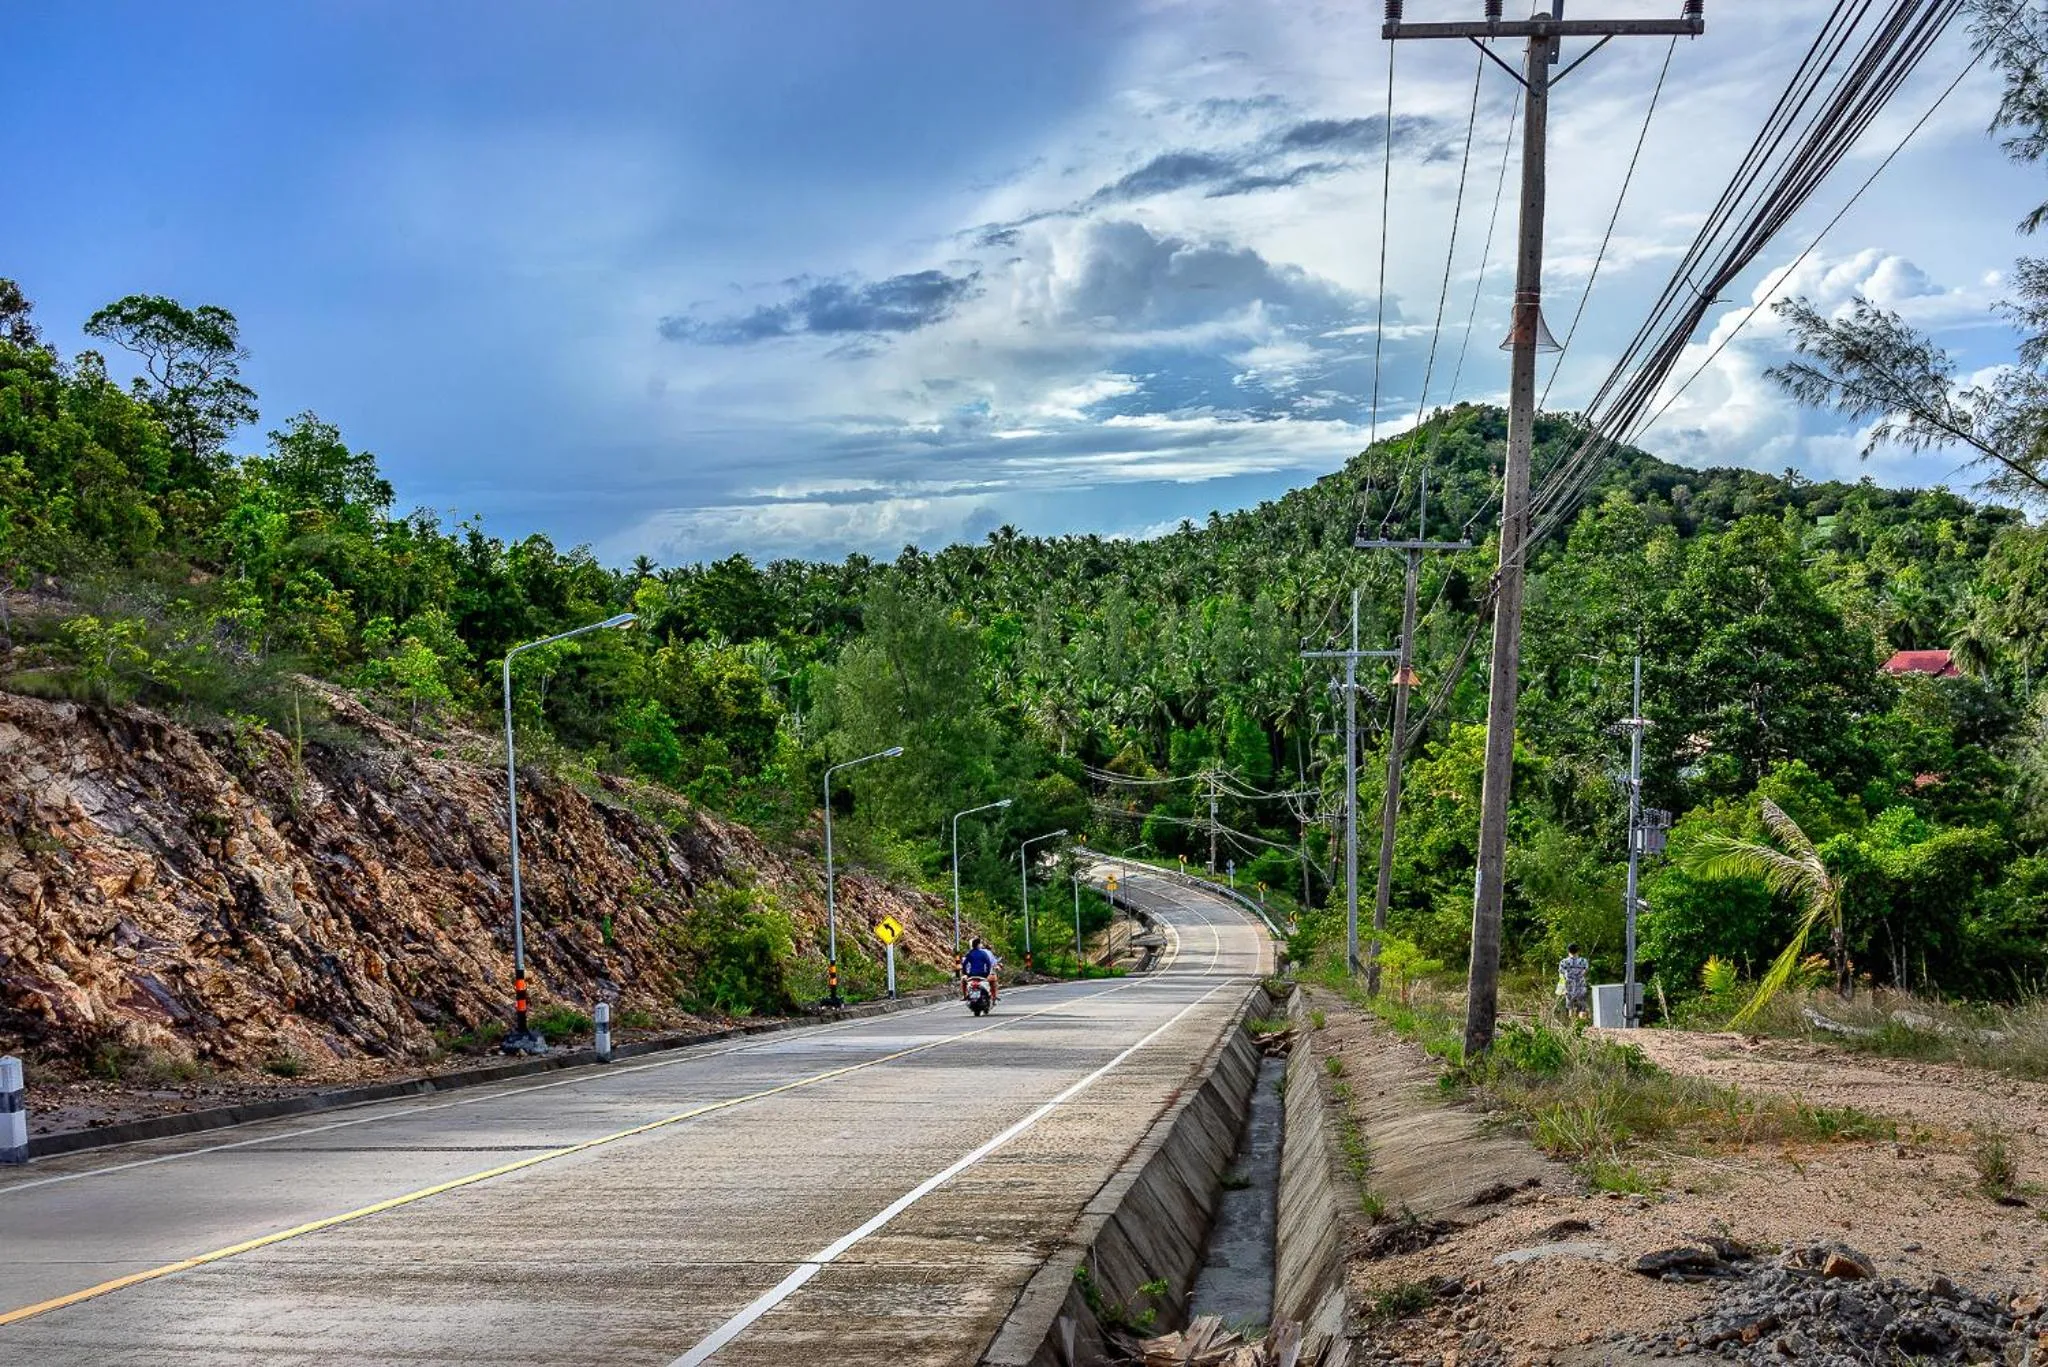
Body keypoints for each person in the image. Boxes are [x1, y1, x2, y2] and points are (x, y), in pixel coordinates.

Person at [1558, 942, 1591, 1021]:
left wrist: (1561, 988)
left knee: (1570, 1008)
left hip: (1569, 987)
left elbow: (1561, 975)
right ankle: (1582, 1024)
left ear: (1568, 951)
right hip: (1581, 987)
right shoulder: (1583, 961)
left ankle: (1573, 1025)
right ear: (1578, 951)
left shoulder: (1563, 962)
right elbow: (1585, 971)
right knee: (1582, 1008)